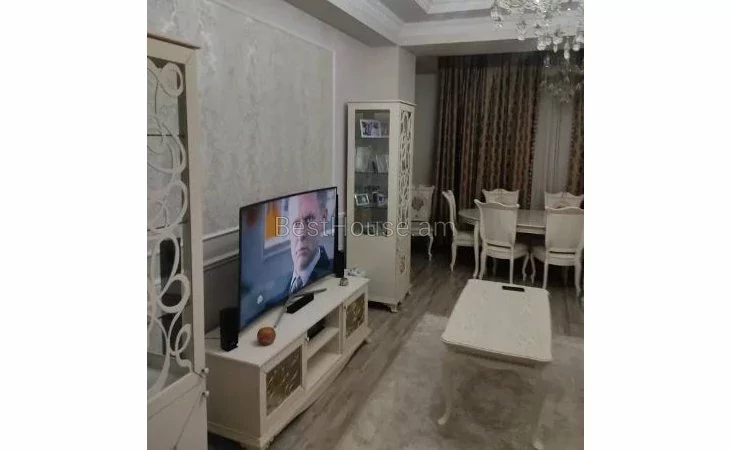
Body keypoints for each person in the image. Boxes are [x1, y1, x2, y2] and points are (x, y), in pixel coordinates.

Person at [287, 191, 333, 295]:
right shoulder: (276, 292)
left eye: (309, 219)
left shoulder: (331, 275)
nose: (301, 234)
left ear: (323, 219)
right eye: (296, 223)